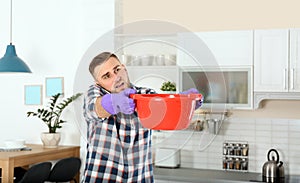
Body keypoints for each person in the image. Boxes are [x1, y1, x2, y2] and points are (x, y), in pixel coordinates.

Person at [82, 52, 202, 183]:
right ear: (98, 83)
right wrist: (114, 102)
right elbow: (93, 108)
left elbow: (165, 113)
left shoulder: (146, 94)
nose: (116, 78)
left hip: (140, 178)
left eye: (117, 70)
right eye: (107, 76)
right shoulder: (94, 93)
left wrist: (184, 103)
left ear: (124, 68)